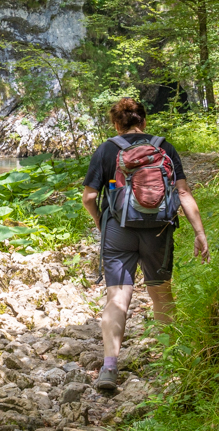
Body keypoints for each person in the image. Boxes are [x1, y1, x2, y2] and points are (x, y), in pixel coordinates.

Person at [81, 98, 210, 394]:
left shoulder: (106, 149)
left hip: (118, 230)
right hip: (159, 229)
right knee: (161, 294)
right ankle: (171, 365)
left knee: (117, 298)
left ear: (116, 124)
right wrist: (199, 232)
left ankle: (110, 368)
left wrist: (103, 222)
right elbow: (184, 193)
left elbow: (89, 198)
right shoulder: (164, 147)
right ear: (144, 121)